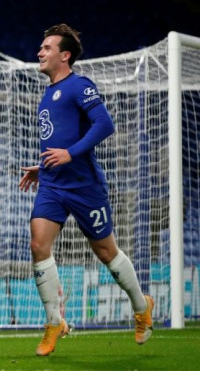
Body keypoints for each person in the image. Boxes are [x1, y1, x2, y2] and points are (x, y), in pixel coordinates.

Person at [18, 23, 153, 356]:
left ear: (65, 56)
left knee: (106, 252)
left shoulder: (79, 85)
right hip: (52, 183)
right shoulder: (47, 93)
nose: (40, 51)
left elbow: (105, 124)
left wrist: (69, 154)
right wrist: (44, 165)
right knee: (38, 244)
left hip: (83, 186)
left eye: (47, 47)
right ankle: (54, 321)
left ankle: (141, 306)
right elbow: (58, 136)